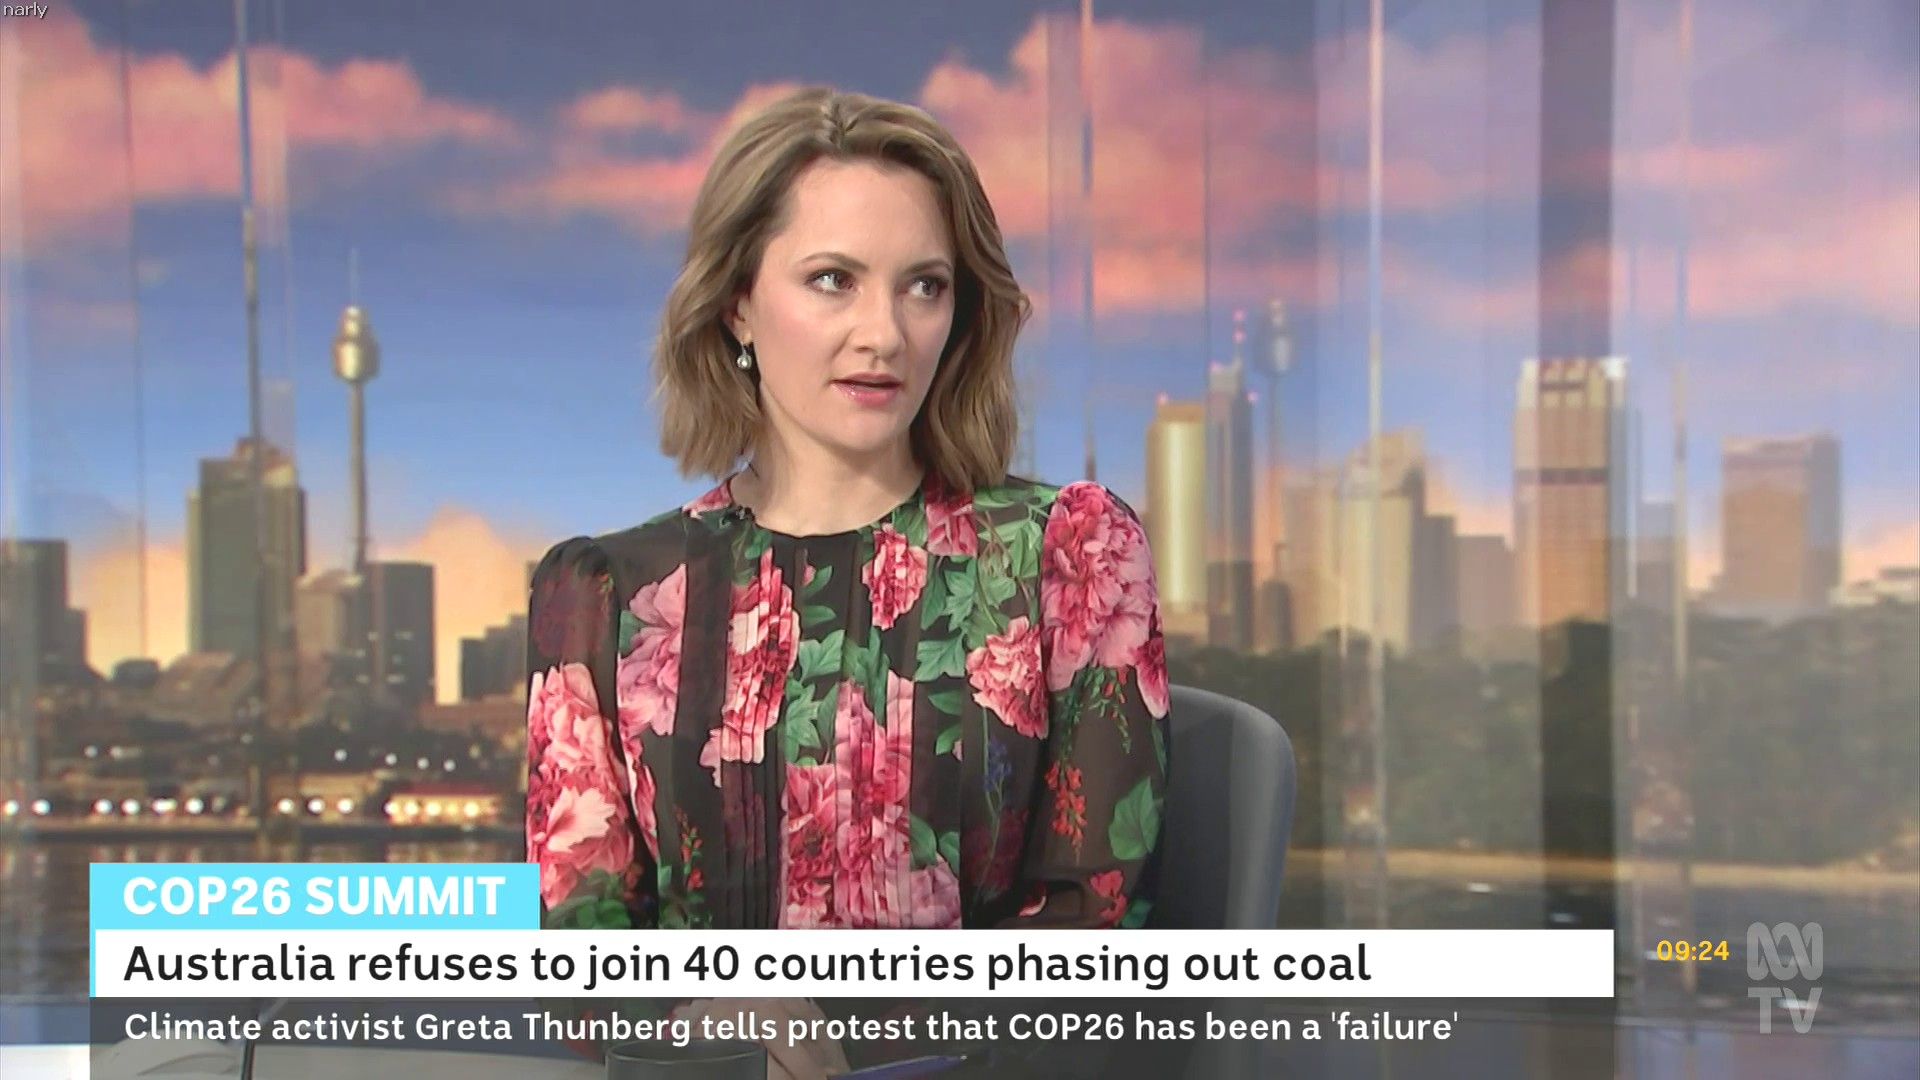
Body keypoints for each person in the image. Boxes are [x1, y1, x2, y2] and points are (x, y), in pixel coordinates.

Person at [526, 86, 1173, 1078]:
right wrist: (712, 1024)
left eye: (924, 287)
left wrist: (837, 1035)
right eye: (833, 280)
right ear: (738, 303)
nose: (885, 333)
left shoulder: (1071, 550)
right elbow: (582, 957)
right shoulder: (601, 592)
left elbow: (1095, 939)